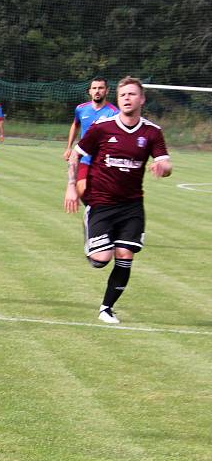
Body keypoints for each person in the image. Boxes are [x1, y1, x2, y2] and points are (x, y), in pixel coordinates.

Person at [64, 76, 172, 324]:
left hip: (132, 205)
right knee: (101, 259)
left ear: (142, 99)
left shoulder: (152, 132)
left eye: (132, 94)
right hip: (101, 202)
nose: (127, 98)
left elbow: (165, 164)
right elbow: (75, 156)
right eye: (123, 95)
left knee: (124, 254)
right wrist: (71, 187)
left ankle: (106, 308)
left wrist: (163, 168)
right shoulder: (102, 128)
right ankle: (90, 232)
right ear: (118, 99)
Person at [63, 77, 119, 198]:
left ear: (107, 90)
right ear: (90, 91)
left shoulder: (114, 113)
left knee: (103, 193)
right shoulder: (81, 109)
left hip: (103, 160)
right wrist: (69, 147)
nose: (97, 91)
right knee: (81, 189)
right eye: (94, 88)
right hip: (84, 157)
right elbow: (75, 125)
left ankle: (93, 212)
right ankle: (91, 210)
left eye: (100, 88)